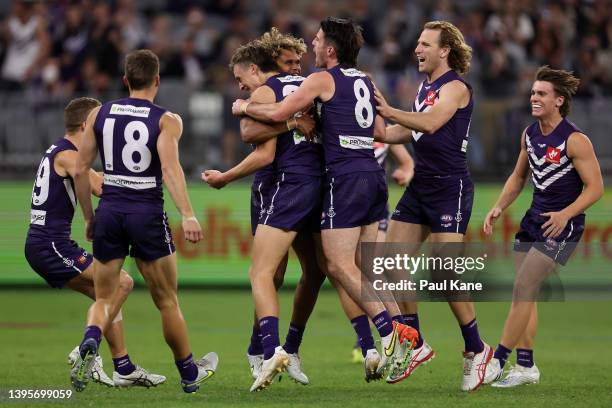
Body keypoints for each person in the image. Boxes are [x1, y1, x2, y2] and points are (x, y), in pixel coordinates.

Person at [232, 17, 419, 379]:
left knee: (331, 266)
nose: (310, 49)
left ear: (330, 49)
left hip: (334, 180)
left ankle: (386, 334)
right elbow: (382, 131)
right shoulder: (364, 80)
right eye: (292, 60)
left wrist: (242, 108)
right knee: (350, 270)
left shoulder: (316, 82)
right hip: (370, 177)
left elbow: (273, 121)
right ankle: (399, 333)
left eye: (316, 42)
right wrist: (422, 125)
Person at [71, 49, 218, 394]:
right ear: (157, 80)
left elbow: (80, 169)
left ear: (125, 80)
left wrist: (90, 217)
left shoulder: (99, 114)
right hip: (147, 213)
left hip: (110, 210)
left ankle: (90, 340)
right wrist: (188, 214)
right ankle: (188, 374)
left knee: (104, 298)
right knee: (167, 300)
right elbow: (169, 169)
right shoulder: (168, 120)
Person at [373, 20, 493, 390]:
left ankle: (477, 349)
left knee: (443, 274)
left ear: (445, 50)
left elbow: (432, 123)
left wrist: (390, 111)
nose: (417, 49)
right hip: (421, 185)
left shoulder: (455, 87)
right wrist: (368, 125)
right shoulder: (424, 87)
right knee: (386, 262)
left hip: (450, 188)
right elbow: (399, 132)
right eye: (418, 44)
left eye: (425, 44)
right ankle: (416, 343)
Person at [204, 33, 323, 390]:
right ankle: (260, 351)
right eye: (289, 62)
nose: (240, 87)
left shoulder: (270, 90)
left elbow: (258, 147)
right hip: (277, 186)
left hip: (284, 185)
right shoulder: (289, 91)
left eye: (241, 79)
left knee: (291, 273)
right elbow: (251, 134)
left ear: (254, 69)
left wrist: (225, 177)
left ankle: (272, 349)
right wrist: (287, 123)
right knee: (275, 276)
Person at [25, 97, 165, 388]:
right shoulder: (67, 154)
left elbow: (93, 176)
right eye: (99, 121)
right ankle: (86, 348)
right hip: (49, 245)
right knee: (123, 283)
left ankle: (123, 366)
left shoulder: (63, 151)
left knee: (107, 294)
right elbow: (100, 186)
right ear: (87, 124)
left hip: (47, 244)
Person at [483, 66, 603, 387]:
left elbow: (595, 188)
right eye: (533, 92)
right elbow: (518, 177)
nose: (533, 97)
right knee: (525, 293)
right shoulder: (529, 134)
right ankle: (526, 368)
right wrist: (498, 206)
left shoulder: (575, 140)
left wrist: (566, 214)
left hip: (561, 227)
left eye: (541, 94)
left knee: (524, 287)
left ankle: (497, 360)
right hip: (534, 221)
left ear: (559, 101)